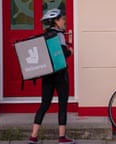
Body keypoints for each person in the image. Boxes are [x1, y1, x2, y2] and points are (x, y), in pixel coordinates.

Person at [28, 8, 75, 144]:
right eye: (62, 20)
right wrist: (70, 51)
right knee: (62, 104)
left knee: (45, 103)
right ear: (56, 21)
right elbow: (63, 54)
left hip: (47, 75)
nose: (64, 22)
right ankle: (62, 137)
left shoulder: (45, 35)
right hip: (60, 74)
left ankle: (34, 135)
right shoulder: (59, 35)